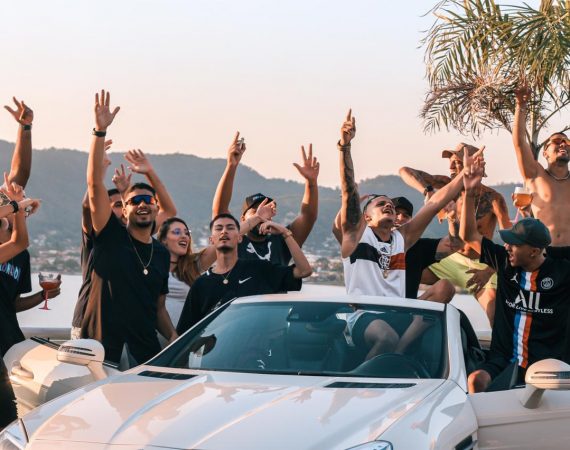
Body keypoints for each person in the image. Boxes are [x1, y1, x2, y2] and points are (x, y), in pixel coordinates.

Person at [337, 110, 475, 359]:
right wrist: (344, 147)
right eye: (381, 204)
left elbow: (435, 203)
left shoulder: (401, 239)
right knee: (386, 336)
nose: (388, 206)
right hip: (364, 317)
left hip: (399, 314)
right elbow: (348, 191)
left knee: (442, 297)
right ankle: (364, 374)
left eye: (390, 204)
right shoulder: (355, 239)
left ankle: (398, 356)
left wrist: (464, 175)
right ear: (366, 217)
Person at [459, 153, 570, 393]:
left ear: (534, 251)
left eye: (514, 243)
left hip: (550, 368)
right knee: (476, 380)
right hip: (504, 361)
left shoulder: (562, 271)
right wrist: (469, 192)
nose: (507, 246)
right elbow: (467, 235)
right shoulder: (505, 261)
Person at [82, 90, 174, 365]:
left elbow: (158, 308)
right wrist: (99, 131)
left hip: (145, 354)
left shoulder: (161, 253)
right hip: (101, 352)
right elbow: (94, 185)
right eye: (134, 201)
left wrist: (174, 337)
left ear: (156, 207)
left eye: (148, 200)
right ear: (124, 208)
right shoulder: (110, 234)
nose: (142, 204)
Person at [71, 146, 177, 339]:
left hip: (138, 341)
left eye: (147, 200)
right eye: (119, 204)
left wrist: (148, 173)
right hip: (94, 329)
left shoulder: (155, 247)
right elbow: (89, 200)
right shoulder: (106, 234)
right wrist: (101, 165)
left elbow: (168, 211)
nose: (142, 204)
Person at [399, 143, 511, 324]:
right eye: (451, 162)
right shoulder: (446, 185)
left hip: (479, 264)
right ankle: (401, 318)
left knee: (495, 314)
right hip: (450, 258)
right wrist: (428, 191)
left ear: (475, 164)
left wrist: (488, 271)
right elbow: (404, 171)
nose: (451, 166)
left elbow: (509, 243)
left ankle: (499, 343)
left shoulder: (494, 199)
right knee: (402, 268)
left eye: (458, 162)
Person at [176, 213, 312, 334]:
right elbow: (184, 332)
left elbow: (304, 270)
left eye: (230, 228)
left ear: (240, 238)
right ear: (211, 240)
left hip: (256, 350)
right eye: (219, 228)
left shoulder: (260, 269)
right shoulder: (201, 284)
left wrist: (285, 233)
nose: (224, 231)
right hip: (215, 354)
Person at [211, 133, 319, 265]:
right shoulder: (233, 241)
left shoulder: (282, 241)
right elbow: (219, 210)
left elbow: (308, 216)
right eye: (256, 210)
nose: (262, 214)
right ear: (243, 219)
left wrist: (311, 182)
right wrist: (231, 166)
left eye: (267, 210)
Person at [332, 195, 458, 302]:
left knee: (445, 287)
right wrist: (348, 202)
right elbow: (339, 229)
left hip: (406, 314)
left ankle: (413, 322)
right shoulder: (363, 240)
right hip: (369, 314)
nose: (401, 218)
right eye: (397, 213)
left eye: (406, 215)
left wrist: (453, 217)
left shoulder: (418, 247)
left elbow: (455, 243)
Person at [512, 86, 570, 245]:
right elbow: (519, 143)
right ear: (545, 153)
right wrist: (520, 106)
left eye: (567, 142)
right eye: (557, 141)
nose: (563, 144)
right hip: (545, 252)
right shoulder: (535, 175)